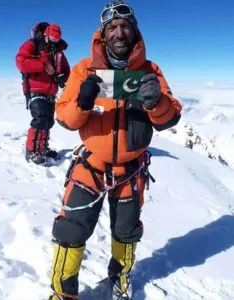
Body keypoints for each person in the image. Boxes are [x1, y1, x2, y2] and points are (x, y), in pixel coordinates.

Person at [49, 1, 182, 299]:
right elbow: (64, 118)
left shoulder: (150, 70)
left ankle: (120, 276)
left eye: (125, 27)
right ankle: (62, 292)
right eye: (112, 28)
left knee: (126, 231)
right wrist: (83, 102)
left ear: (135, 32)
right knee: (71, 230)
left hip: (130, 168)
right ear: (102, 34)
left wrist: (156, 102)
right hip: (91, 164)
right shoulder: (85, 69)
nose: (119, 33)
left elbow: (171, 115)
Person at [16, 22, 70, 165]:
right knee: (40, 119)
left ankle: (42, 147)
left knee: (48, 121)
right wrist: (42, 66)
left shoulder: (58, 52)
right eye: (52, 40)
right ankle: (32, 150)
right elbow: (21, 62)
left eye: (56, 41)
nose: (54, 43)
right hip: (35, 89)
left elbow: (66, 69)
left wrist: (63, 77)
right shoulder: (32, 45)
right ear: (45, 35)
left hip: (51, 91)